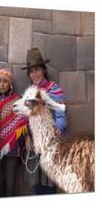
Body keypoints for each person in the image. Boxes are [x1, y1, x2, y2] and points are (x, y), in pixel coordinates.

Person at [22, 47, 68, 195]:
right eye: (31, 71)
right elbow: (27, 117)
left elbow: (61, 114)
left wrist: (57, 129)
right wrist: (28, 136)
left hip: (51, 143)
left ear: (43, 70)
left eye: (37, 70)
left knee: (49, 185)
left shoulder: (54, 89)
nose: (34, 74)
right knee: (38, 185)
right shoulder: (30, 92)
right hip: (36, 145)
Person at [0, 69, 29, 196]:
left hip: (12, 146)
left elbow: (23, 120)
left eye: (5, 81)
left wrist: (19, 140)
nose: (2, 84)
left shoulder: (18, 100)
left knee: (10, 181)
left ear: (10, 84)